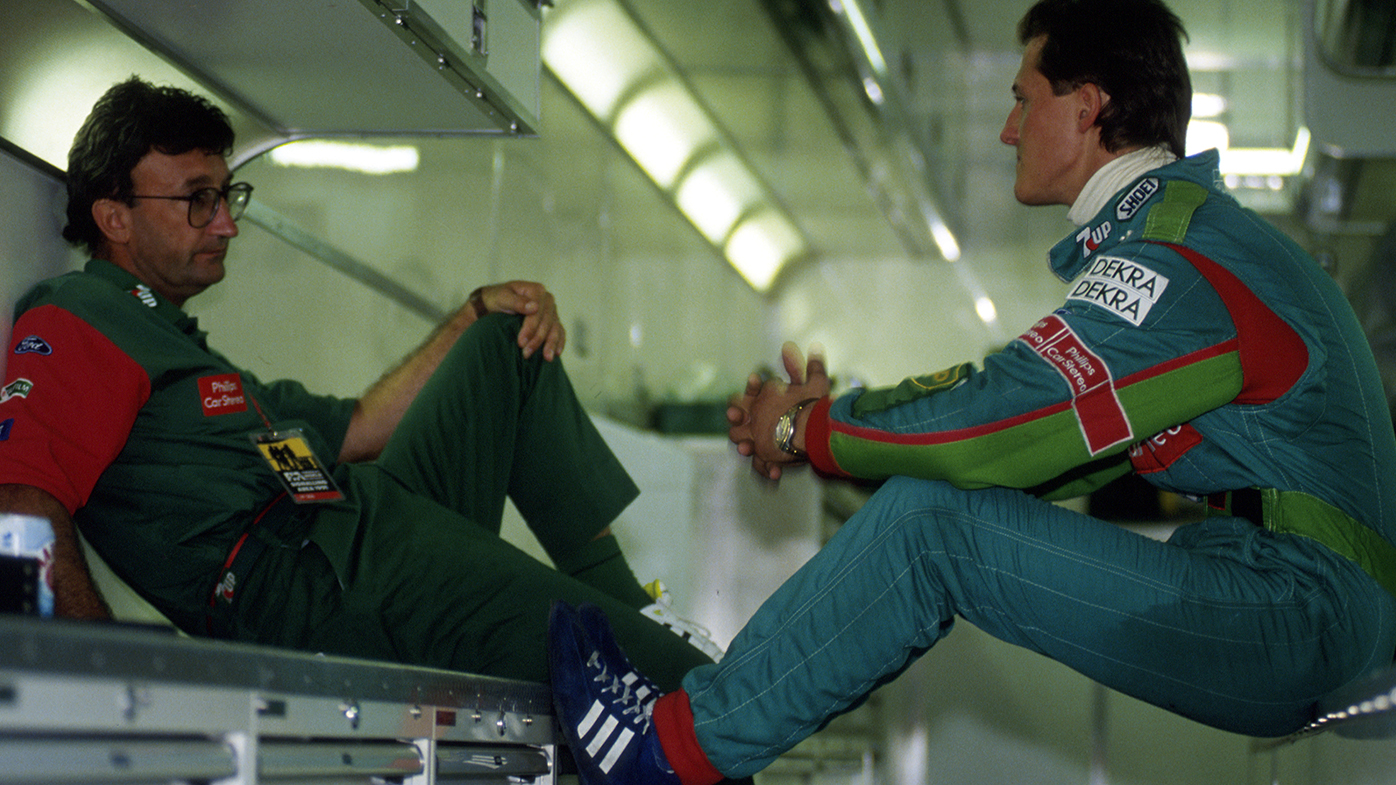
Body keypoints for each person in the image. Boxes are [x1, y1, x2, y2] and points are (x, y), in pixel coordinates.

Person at [547, 0, 1396, 782]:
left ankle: (670, 751)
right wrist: (837, 432)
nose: (1004, 128)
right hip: (1296, 595)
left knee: (931, 529)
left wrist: (810, 429)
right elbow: (1043, 449)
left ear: (1088, 106)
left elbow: (1006, 413)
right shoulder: (1188, 244)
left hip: (1302, 609)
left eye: (1024, 99)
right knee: (936, 509)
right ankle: (691, 715)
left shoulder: (1179, 261)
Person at [0, 76, 719, 687]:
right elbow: (22, 496)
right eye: (197, 200)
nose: (226, 225)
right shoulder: (79, 315)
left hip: (363, 536)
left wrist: (472, 312)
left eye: (227, 196)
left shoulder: (193, 359)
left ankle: (630, 604)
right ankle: (653, 645)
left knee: (505, 339)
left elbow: (366, 427)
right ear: (114, 217)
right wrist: (108, 668)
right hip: (320, 582)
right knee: (675, 683)